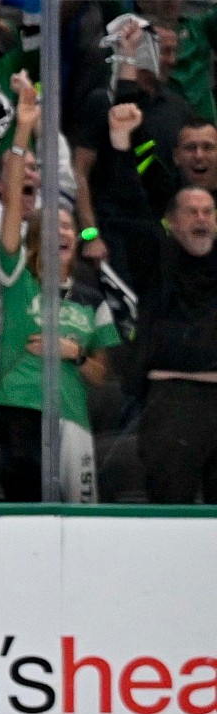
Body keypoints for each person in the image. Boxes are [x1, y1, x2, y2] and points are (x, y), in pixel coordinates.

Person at [0, 145, 119, 505]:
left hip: (73, 416)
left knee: (84, 514)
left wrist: (72, 352)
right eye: (51, 226)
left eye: (67, 226)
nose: (61, 232)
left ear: (76, 239)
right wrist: (23, 131)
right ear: (34, 239)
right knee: (27, 514)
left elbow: (101, 375)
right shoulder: (18, 282)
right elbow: (12, 205)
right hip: (20, 410)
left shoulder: (92, 299)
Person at [130, 186, 217, 502]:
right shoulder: (156, 258)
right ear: (172, 221)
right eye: (192, 212)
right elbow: (136, 208)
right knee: (170, 503)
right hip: (173, 399)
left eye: (208, 212)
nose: (201, 219)